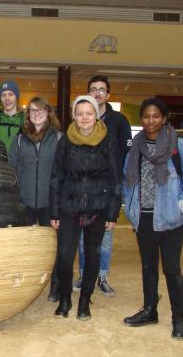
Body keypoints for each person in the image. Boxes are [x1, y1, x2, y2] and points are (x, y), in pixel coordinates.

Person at [122, 98, 183, 341]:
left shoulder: (179, 146)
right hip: (143, 218)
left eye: (156, 116)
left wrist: (182, 206)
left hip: (170, 218)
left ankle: (179, 317)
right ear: (141, 119)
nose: (151, 120)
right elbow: (127, 179)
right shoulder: (135, 146)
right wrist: (130, 206)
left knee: (172, 268)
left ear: (164, 119)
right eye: (146, 116)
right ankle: (149, 310)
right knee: (148, 266)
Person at [50, 95, 121, 321]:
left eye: (89, 113)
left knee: (92, 256)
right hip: (69, 206)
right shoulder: (66, 140)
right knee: (64, 255)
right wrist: (54, 210)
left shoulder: (107, 139)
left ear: (96, 115)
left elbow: (115, 177)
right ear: (74, 115)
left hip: (97, 207)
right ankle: (65, 298)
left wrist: (113, 212)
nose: (84, 117)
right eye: (79, 113)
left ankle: (84, 301)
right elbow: (56, 176)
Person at [74, 75, 132, 297]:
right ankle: (83, 274)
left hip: (109, 188)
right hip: (84, 190)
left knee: (105, 236)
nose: (97, 93)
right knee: (82, 236)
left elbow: (126, 153)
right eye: (93, 89)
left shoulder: (119, 121)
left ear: (108, 95)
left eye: (101, 90)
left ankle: (103, 276)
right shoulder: (81, 120)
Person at [8, 97, 62, 302]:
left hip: (50, 203)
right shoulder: (20, 140)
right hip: (25, 202)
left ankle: (55, 286)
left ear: (49, 112)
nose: (36, 114)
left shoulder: (58, 138)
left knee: (53, 248)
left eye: (41, 110)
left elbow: (63, 172)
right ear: (28, 115)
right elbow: (12, 170)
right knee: (25, 248)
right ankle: (25, 286)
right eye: (32, 110)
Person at [0, 80, 24, 152]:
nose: (7, 98)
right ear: (0, 99)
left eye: (11, 94)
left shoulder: (27, 122)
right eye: (3, 95)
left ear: (17, 97)